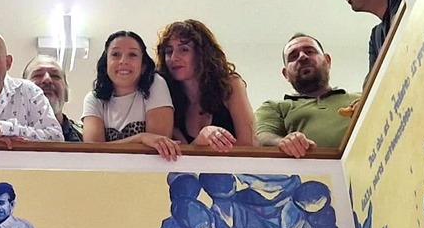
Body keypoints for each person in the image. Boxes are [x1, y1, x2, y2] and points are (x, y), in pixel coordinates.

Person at [156, 20, 254, 151]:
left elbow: (249, 145)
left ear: (201, 54)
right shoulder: (168, 98)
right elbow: (183, 158)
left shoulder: (230, 84)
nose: (174, 58)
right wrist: (202, 137)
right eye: (169, 52)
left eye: (184, 49)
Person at [81, 31, 179, 160]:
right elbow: (92, 151)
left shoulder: (156, 84)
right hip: (107, 171)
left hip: (150, 169)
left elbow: (158, 145)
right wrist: (141, 138)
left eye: (132, 55)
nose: (123, 61)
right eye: (116, 54)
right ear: (106, 64)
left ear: (143, 65)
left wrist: (111, 147)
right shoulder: (93, 99)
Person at [255, 34, 353, 157]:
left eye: (310, 51)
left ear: (327, 61)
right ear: (286, 74)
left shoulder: (361, 98)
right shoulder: (274, 107)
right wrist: (284, 142)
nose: (302, 56)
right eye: (293, 56)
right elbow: (261, 137)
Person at [22, 54, 83, 142]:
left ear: (66, 93)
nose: (47, 79)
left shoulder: (87, 139)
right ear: (21, 93)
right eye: (38, 75)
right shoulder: (7, 136)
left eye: (55, 76)